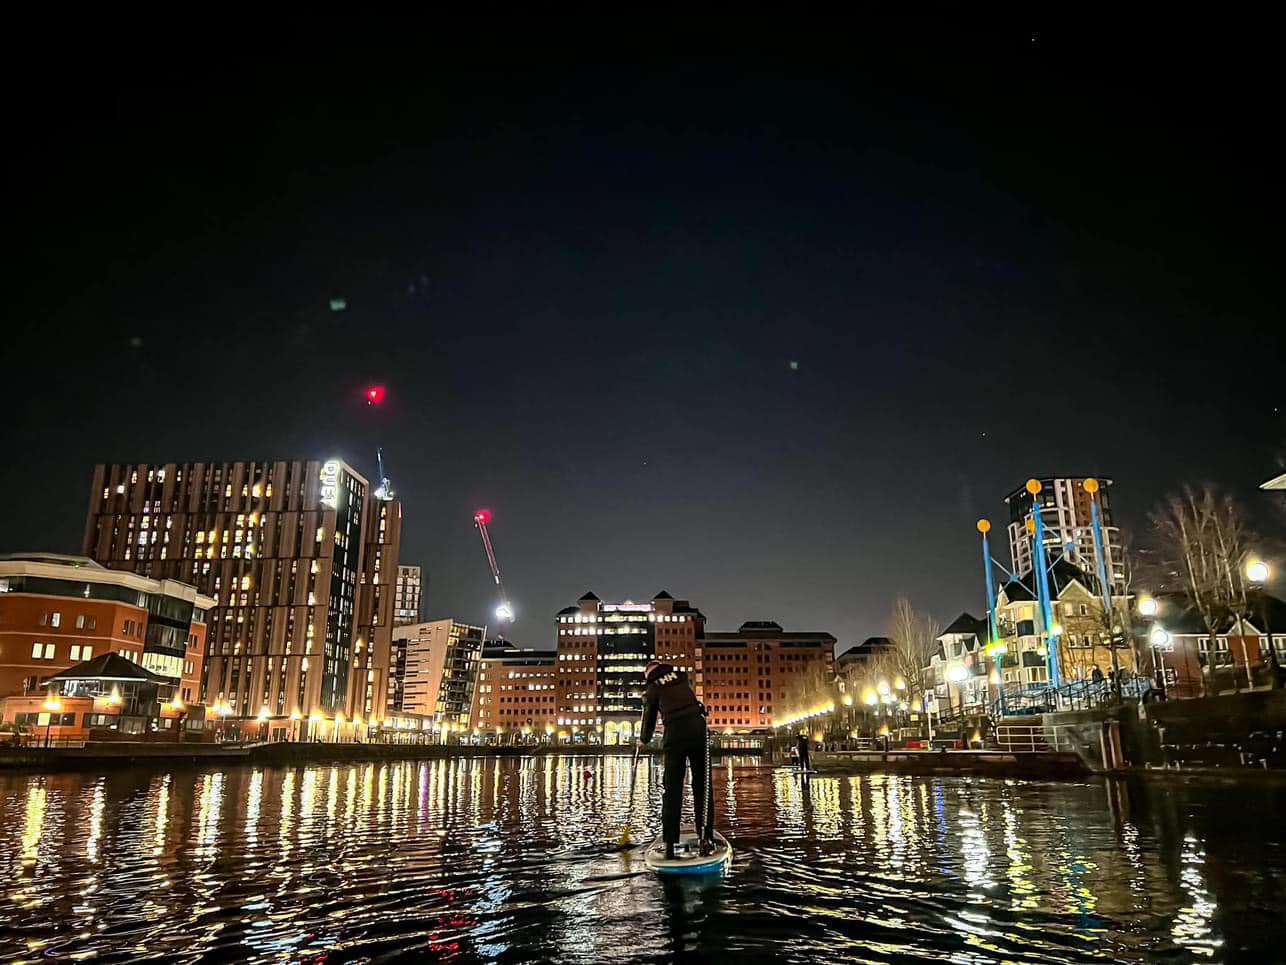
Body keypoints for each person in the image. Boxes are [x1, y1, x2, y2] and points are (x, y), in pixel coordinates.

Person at [638, 659, 714, 859]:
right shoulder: (681, 677)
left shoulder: (653, 688)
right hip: (698, 729)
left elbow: (649, 718)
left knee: (672, 790)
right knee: (703, 786)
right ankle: (706, 837)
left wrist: (643, 739)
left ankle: (670, 843)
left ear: (649, 674)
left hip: (675, 734)